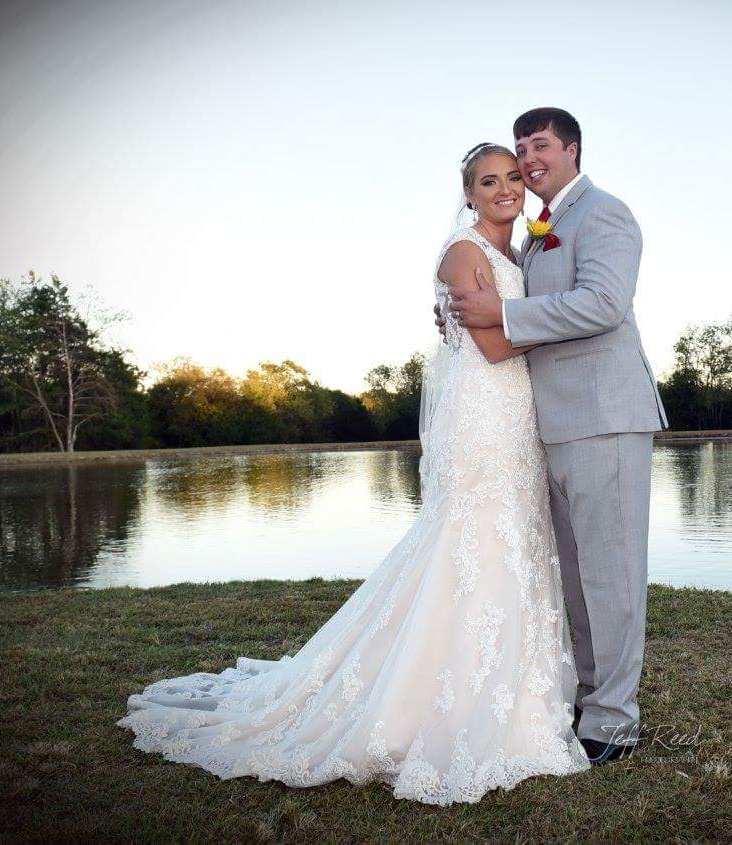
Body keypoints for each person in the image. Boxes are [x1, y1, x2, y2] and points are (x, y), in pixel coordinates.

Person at [116, 141, 591, 807]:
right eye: (489, 181)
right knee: (473, 544)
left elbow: (503, 326)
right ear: (468, 194)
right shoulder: (464, 252)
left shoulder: (516, 256)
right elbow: (489, 343)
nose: (505, 189)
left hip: (515, 418)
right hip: (481, 422)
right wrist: (573, 322)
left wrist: (532, 316)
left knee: (513, 542)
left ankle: (518, 701)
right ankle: (440, 704)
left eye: (514, 177)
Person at [441, 107, 668, 764]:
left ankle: (615, 723)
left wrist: (502, 312)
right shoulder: (538, 230)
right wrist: (464, 313)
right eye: (520, 148)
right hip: (550, 422)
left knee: (613, 573)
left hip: (604, 415)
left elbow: (604, 304)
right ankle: (593, 694)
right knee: (578, 574)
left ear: (571, 148)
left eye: (539, 145)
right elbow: (507, 309)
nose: (528, 158)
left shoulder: (604, 212)